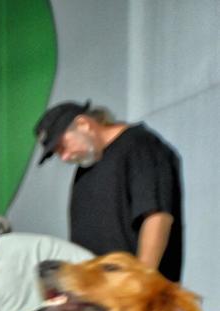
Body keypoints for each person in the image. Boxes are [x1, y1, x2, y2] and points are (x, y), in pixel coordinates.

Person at [35, 100, 183, 281]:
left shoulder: (140, 146)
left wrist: (141, 282)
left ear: (84, 124)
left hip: (135, 297)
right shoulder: (86, 168)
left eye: (63, 146)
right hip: (99, 295)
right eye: (58, 153)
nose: (65, 157)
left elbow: (157, 217)